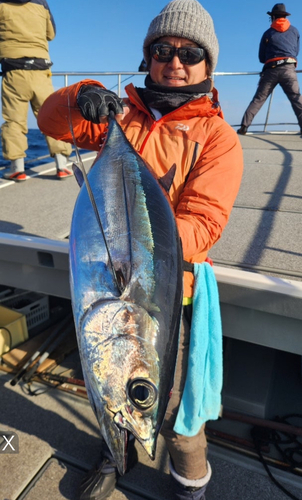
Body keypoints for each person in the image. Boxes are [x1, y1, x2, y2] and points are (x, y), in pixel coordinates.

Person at [38, 0, 244, 498]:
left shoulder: (217, 138)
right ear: (147, 57)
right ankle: (117, 453)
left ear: (208, 64)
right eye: (163, 49)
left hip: (172, 292)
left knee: (179, 412)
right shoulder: (119, 118)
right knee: (111, 379)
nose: (176, 61)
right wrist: (82, 93)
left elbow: (205, 225)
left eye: (190, 52)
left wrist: (141, 240)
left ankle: (189, 483)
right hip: (107, 280)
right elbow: (49, 120)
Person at [0, 0, 73, 182]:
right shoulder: (41, 4)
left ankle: (17, 168)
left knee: (14, 121)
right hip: (41, 71)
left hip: (14, 71)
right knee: (51, 116)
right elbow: (51, 34)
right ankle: (62, 165)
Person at [237, 3, 302, 136]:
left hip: (271, 70)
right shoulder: (295, 31)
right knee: (296, 99)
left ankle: (244, 126)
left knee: (259, 99)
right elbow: (295, 51)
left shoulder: (267, 33)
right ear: (285, 16)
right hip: (289, 69)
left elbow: (261, 57)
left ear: (273, 17)